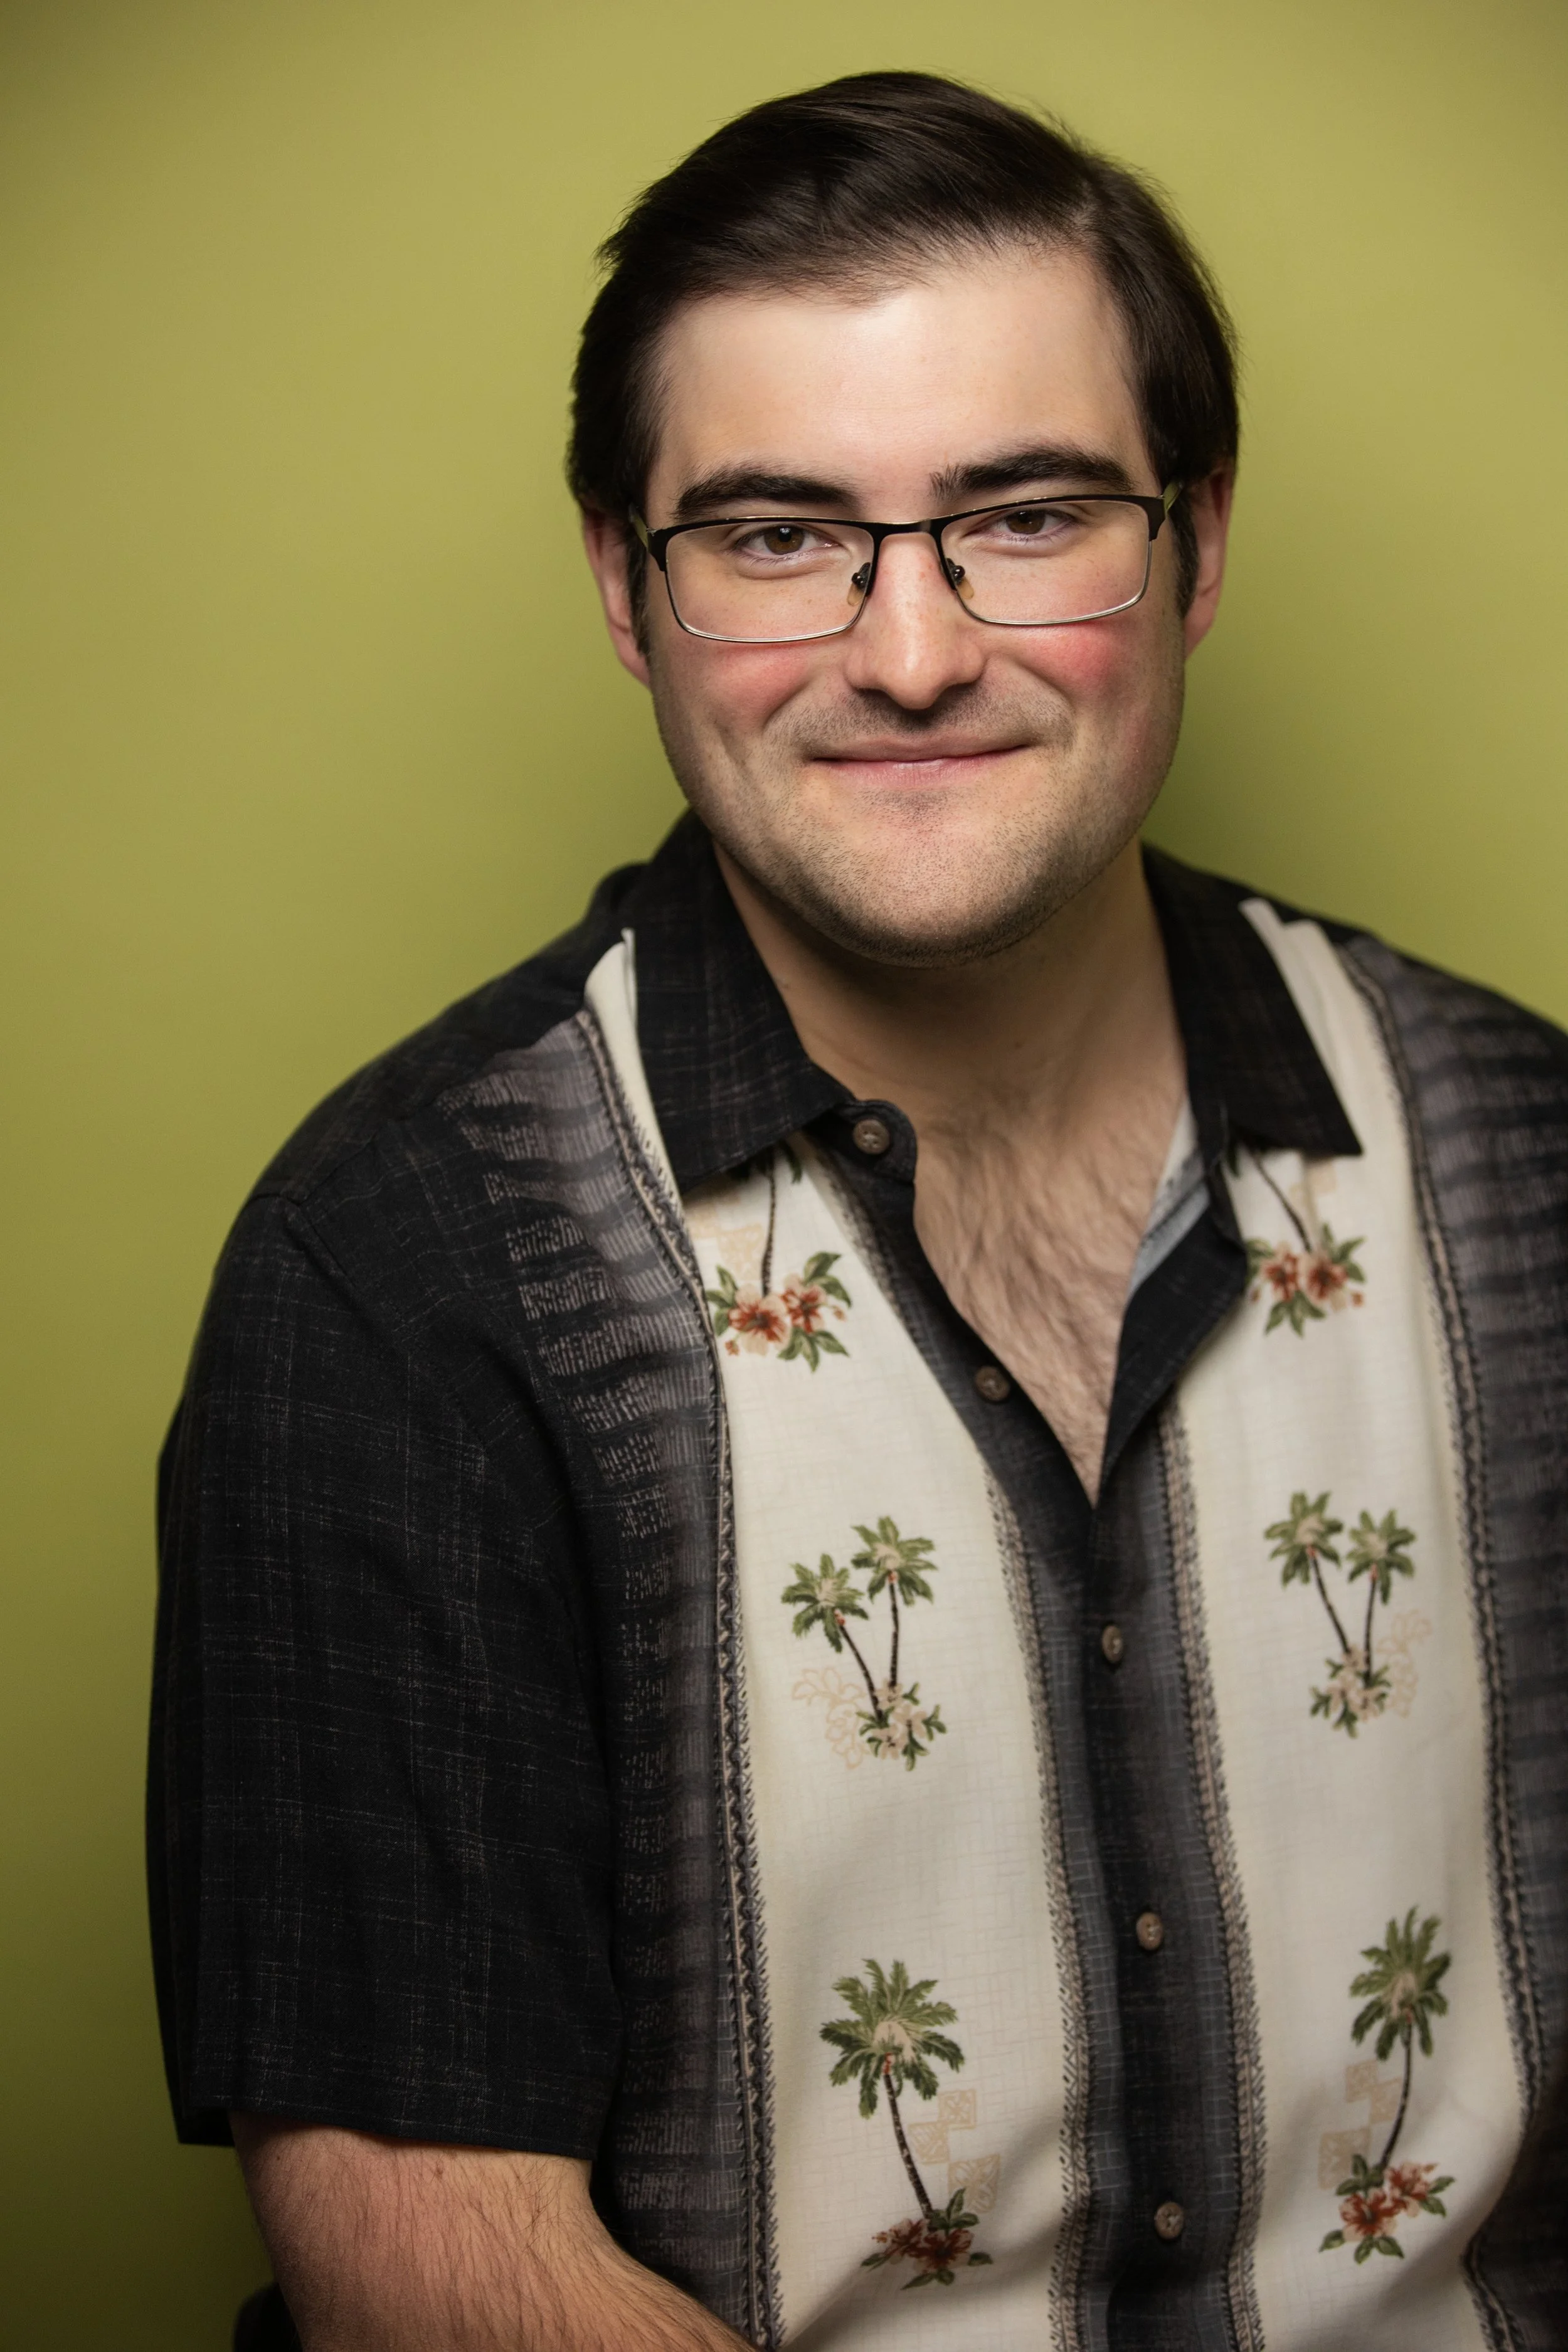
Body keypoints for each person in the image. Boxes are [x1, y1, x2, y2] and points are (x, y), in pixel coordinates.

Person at [149, 70, 1568, 2352]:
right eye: (778, 537)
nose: (908, 653)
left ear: (1195, 546)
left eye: (1023, 515)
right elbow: (431, 2269)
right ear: (627, 591)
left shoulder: (1524, 1162)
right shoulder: (406, 1268)